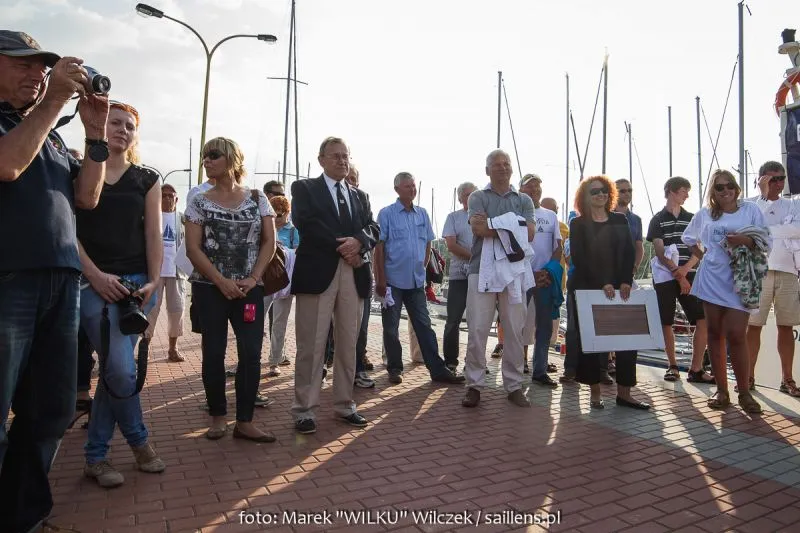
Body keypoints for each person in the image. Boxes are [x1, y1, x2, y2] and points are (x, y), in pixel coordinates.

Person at [0, 30, 109, 532]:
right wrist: (54, 102)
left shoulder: (50, 132)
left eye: (42, 68)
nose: (37, 75)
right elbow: (8, 164)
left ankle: (22, 516)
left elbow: (87, 197)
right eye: (22, 64)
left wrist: (95, 132)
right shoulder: (28, 126)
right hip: (10, 279)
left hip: (61, 283)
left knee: (52, 409)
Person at [74, 100, 166, 488]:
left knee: (116, 370)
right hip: (92, 284)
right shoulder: (77, 171)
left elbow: (153, 235)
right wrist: (95, 276)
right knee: (122, 370)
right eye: (115, 122)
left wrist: (154, 282)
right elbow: (69, 232)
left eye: (129, 125)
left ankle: (96, 458)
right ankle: (138, 442)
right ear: (100, 126)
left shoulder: (147, 178)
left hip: (137, 286)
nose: (122, 130)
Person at [185, 137, 278, 442]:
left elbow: (270, 242)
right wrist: (220, 281)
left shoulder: (257, 198)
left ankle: (245, 421)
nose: (206, 160)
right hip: (209, 288)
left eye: (213, 155)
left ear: (232, 159)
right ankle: (217, 417)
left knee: (251, 353)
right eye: (205, 156)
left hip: (249, 289)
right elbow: (193, 249)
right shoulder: (198, 200)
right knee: (213, 352)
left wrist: (253, 278)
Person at [289, 137, 379, 434]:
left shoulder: (360, 196)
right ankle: (304, 409)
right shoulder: (304, 189)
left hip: (354, 273)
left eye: (346, 156)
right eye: (336, 156)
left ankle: (344, 404)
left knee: (349, 343)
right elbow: (307, 223)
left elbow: (373, 227)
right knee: (311, 345)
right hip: (318, 274)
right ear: (321, 160)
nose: (342, 161)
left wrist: (360, 242)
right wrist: (346, 247)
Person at [682, 169, 770, 413]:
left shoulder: (750, 210)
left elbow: (766, 240)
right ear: (713, 191)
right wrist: (704, 256)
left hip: (740, 279)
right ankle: (722, 391)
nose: (726, 190)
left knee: (737, 334)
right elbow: (688, 238)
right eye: (719, 187)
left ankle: (744, 392)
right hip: (711, 279)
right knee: (714, 334)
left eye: (729, 185)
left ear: (736, 187)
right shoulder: (704, 214)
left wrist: (745, 241)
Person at [374, 172, 465, 386]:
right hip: (392, 282)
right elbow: (379, 248)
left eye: (413, 186)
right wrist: (380, 279)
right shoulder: (386, 214)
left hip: (416, 282)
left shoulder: (422, 213)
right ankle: (394, 368)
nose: (412, 190)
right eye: (408, 186)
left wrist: (422, 268)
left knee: (424, 326)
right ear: (397, 189)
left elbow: (428, 243)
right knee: (391, 328)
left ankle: (438, 370)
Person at [462, 149, 536, 408]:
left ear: (512, 168)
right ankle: (474, 385)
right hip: (481, 269)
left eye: (506, 163)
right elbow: (478, 228)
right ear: (487, 170)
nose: (502, 168)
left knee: (515, 330)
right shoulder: (477, 197)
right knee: (477, 329)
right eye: (496, 164)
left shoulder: (524, 200)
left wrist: (494, 224)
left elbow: (530, 233)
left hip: (514, 271)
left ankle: (514, 385)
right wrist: (513, 225)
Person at [568, 176, 649, 410]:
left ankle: (625, 394)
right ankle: (595, 393)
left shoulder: (620, 220)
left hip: (620, 288)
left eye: (604, 190)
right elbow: (580, 258)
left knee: (627, 341)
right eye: (594, 191)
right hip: (587, 287)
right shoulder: (578, 224)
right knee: (591, 343)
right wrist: (602, 282)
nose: (600, 194)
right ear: (585, 196)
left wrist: (625, 280)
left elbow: (628, 253)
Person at [646, 177, 711, 384]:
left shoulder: (692, 218)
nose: (687, 195)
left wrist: (685, 270)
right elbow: (659, 252)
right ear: (672, 191)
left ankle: (696, 368)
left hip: (689, 273)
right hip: (665, 276)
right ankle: (672, 365)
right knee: (666, 321)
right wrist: (678, 273)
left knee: (702, 319)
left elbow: (699, 250)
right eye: (684, 191)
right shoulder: (657, 220)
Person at [745, 161, 800, 396]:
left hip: (788, 270)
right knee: (753, 326)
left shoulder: (793, 203)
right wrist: (764, 198)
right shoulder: (751, 204)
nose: (778, 183)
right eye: (772, 179)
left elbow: (798, 230)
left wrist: (765, 231)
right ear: (761, 179)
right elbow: (749, 227)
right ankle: (747, 377)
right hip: (758, 271)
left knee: (786, 326)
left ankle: (787, 379)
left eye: (781, 178)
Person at [518, 174, 562, 386]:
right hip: (520, 276)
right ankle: (516, 369)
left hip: (544, 279)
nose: (534, 190)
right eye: (530, 187)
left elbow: (558, 247)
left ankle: (540, 371)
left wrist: (547, 271)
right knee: (517, 324)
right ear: (521, 191)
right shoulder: (514, 213)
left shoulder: (550, 215)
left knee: (544, 327)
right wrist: (530, 273)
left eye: (537, 187)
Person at [141, 183, 187, 362]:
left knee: (177, 310)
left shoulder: (183, 220)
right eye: (164, 195)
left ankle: (173, 349)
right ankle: (145, 347)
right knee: (150, 310)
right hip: (155, 272)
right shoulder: (151, 217)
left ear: (176, 199)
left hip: (177, 272)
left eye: (171, 195)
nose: (167, 198)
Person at [442, 182, 477, 371]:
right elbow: (451, 245)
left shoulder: (484, 217)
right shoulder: (453, 217)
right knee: (453, 320)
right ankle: (450, 361)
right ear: (460, 198)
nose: (471, 197)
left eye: (474, 194)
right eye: (468, 194)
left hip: (480, 276)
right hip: (459, 277)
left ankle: (474, 361)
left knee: (477, 322)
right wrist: (475, 257)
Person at [264, 194, 298, 377]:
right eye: (274, 214)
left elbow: (299, 252)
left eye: (280, 214)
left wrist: (283, 250)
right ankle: (248, 359)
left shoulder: (293, 231)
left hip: (284, 282)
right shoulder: (265, 227)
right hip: (265, 279)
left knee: (279, 323)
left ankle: (275, 361)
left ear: (287, 213)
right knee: (256, 321)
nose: (277, 218)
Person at [541, 197, 568, 347]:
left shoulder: (564, 228)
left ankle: (547, 352)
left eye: (554, 209)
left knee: (553, 318)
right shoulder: (535, 224)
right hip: (538, 278)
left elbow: (568, 255)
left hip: (557, 280)